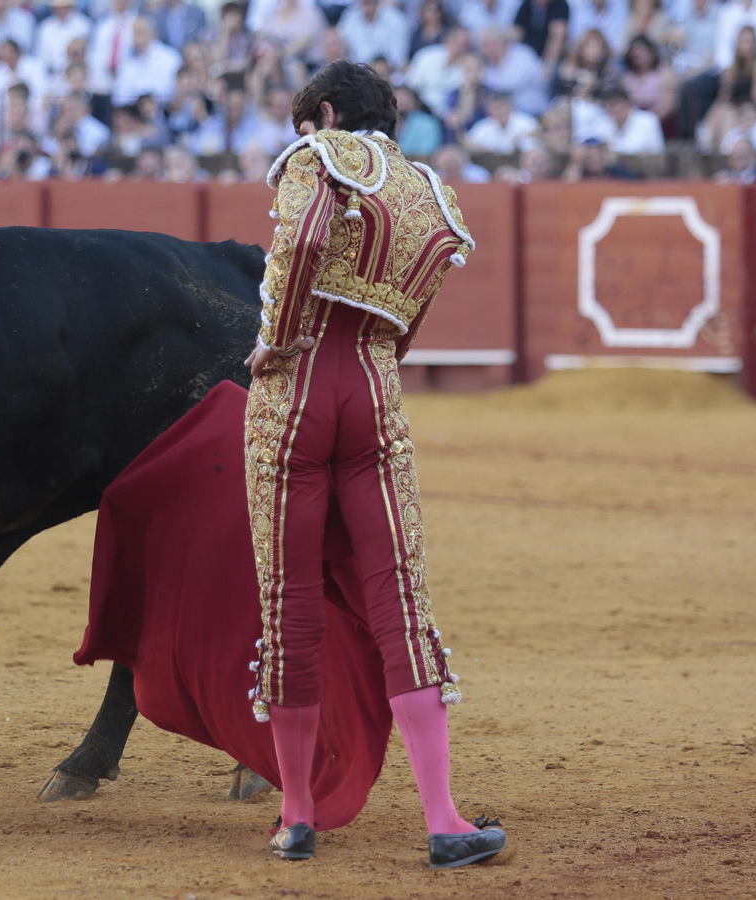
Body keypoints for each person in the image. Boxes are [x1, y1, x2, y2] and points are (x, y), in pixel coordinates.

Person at [243, 58, 502, 868]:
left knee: (291, 600)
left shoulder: (317, 159)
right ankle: (445, 821)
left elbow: (309, 234)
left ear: (324, 113)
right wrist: (386, 353)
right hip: (374, 391)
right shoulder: (430, 190)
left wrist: (276, 340)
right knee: (399, 598)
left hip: (299, 389)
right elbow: (415, 302)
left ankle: (295, 818)